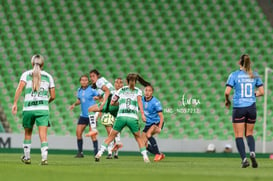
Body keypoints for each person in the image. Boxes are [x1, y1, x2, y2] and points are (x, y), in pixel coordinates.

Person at [94, 73, 151, 163]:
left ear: (127, 81)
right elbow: (140, 103)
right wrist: (143, 115)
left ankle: (99, 153)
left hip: (121, 117)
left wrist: (120, 103)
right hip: (132, 117)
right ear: (135, 82)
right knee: (138, 138)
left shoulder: (120, 90)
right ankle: (145, 157)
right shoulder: (138, 91)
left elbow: (112, 102)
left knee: (111, 136)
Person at [11, 54, 55, 165]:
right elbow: (53, 96)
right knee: (43, 136)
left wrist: (15, 103)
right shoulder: (48, 76)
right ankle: (44, 159)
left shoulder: (26, 74)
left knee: (27, 134)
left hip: (28, 109)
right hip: (43, 109)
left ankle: (27, 157)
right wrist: (45, 102)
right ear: (43, 64)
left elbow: (19, 89)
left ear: (32, 63)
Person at [225, 54, 264, 168]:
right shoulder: (254, 75)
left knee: (238, 135)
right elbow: (262, 92)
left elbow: (227, 92)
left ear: (239, 63)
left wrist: (227, 101)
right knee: (249, 133)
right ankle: (252, 152)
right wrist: (253, 94)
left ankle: (244, 159)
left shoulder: (234, 75)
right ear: (249, 63)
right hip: (251, 107)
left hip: (239, 107)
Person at [69, 75, 99, 158]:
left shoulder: (92, 90)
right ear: (80, 81)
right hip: (83, 115)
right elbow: (80, 100)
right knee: (78, 133)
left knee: (93, 135)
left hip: (91, 115)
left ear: (88, 81)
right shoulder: (79, 90)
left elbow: (100, 96)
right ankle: (80, 152)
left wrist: (98, 97)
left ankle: (96, 153)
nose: (84, 81)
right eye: (82, 80)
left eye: (86, 80)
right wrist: (74, 104)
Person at [85, 69, 118, 137]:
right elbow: (105, 92)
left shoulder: (98, 82)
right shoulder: (102, 81)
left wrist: (103, 103)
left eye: (93, 76)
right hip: (116, 102)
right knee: (113, 124)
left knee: (90, 109)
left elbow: (107, 91)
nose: (92, 78)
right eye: (90, 77)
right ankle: (117, 141)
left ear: (98, 76)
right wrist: (98, 98)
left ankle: (93, 129)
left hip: (110, 100)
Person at [100, 77, 124, 159]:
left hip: (120, 116)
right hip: (110, 114)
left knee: (117, 134)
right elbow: (104, 99)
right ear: (114, 84)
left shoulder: (125, 93)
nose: (118, 84)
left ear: (123, 84)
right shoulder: (111, 92)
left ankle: (116, 153)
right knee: (110, 134)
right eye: (117, 82)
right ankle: (110, 152)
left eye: (120, 82)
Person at [141, 85, 165, 162]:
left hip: (156, 122)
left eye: (149, 91)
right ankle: (159, 154)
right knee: (143, 144)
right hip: (148, 123)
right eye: (146, 90)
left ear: (152, 92)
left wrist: (160, 127)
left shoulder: (156, 102)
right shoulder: (141, 100)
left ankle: (158, 154)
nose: (147, 92)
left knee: (148, 135)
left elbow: (161, 116)